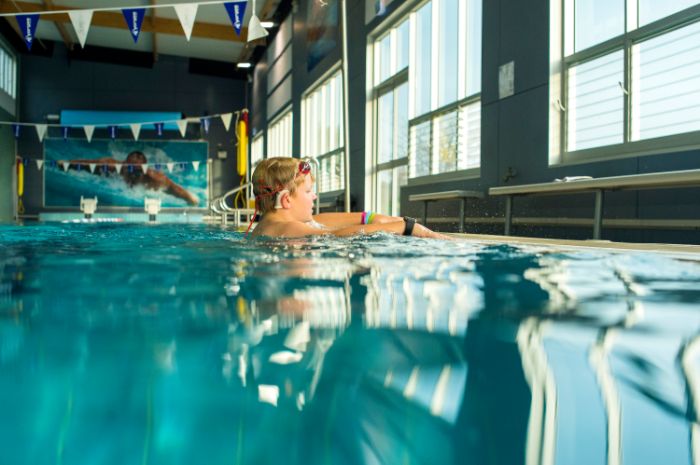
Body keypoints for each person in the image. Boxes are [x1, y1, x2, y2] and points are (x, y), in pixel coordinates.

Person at [248, 157, 452, 239]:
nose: (314, 196)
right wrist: (408, 227)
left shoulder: (276, 225)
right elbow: (335, 235)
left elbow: (322, 222)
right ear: (286, 200)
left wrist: (385, 220)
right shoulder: (285, 229)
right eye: (309, 191)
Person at [64, 151, 199, 206]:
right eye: (131, 169)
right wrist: (67, 164)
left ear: (145, 169)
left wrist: (190, 199)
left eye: (138, 170)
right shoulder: (111, 167)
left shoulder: (155, 179)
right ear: (124, 165)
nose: (133, 174)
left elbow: (175, 189)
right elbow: (87, 164)